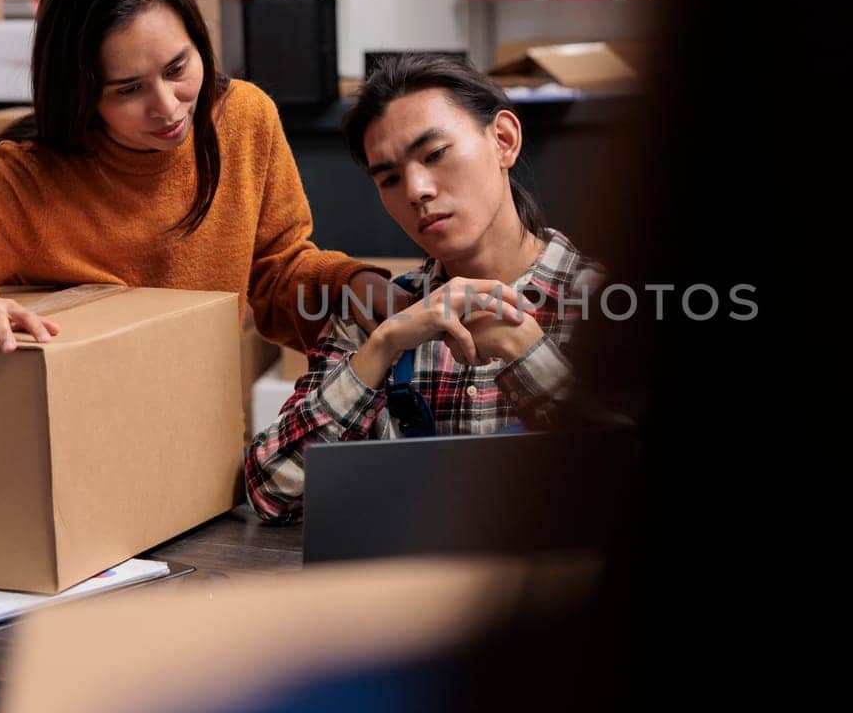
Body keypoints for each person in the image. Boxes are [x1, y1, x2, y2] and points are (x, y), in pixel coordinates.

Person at [244, 52, 604, 522]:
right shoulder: (376, 314)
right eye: (389, 178)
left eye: (434, 155)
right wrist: (386, 343)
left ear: (503, 140)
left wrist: (524, 349)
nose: (415, 189)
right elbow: (272, 492)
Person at [0, 0, 389, 355]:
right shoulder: (29, 179)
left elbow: (278, 271)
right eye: (129, 89)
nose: (166, 107)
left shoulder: (244, 118)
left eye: (177, 69)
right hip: (79, 413)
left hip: (202, 406)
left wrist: (350, 285)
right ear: (81, 94)